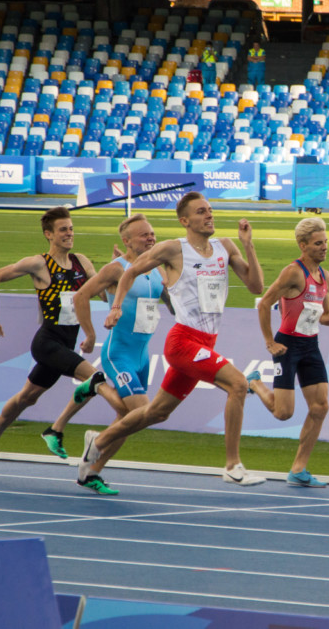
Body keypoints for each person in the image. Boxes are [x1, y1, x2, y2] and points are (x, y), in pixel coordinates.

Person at [77, 192, 267, 489]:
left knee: (157, 412)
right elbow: (130, 272)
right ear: (184, 221)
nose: (209, 215)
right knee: (238, 384)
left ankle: (98, 441)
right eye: (201, 212)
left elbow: (256, 286)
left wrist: (248, 245)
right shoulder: (173, 249)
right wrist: (116, 307)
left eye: (210, 210)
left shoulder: (225, 246)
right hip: (183, 342)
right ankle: (233, 466)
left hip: (206, 342)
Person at [0, 206, 121, 477]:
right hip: (47, 342)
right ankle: (56, 429)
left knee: (27, 398)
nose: (69, 234)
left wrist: (116, 271)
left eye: (71, 229)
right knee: (94, 380)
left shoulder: (82, 262)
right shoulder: (39, 264)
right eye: (63, 230)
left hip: (66, 344)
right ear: (49, 234)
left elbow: (103, 295)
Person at [70, 214, 172, 495]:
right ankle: (96, 438)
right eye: (144, 235)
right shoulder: (117, 268)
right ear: (127, 241)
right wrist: (90, 334)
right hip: (119, 354)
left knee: (127, 419)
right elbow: (80, 296)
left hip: (142, 356)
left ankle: (91, 472)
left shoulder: (156, 268)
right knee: (142, 412)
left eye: (152, 234)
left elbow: (172, 306)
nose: (151, 238)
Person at [254, 217, 329, 488]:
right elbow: (264, 304)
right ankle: (255, 384)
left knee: (320, 407)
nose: (325, 247)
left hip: (311, 346)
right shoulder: (293, 273)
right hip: (287, 346)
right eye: (318, 243)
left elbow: (324, 316)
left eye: (326, 242)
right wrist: (269, 342)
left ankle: (298, 469)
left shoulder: (326, 277)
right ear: (303, 245)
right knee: (283, 413)